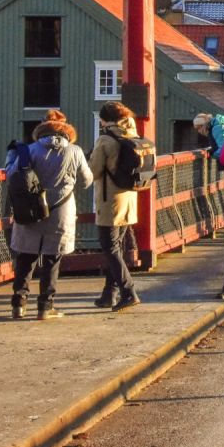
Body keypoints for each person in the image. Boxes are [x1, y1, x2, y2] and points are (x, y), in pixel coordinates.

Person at [9, 110, 92, 321]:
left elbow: (11, 174)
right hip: (60, 210)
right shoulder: (75, 151)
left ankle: (19, 304)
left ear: (41, 129)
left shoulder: (28, 150)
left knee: (26, 257)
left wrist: (11, 156)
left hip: (30, 210)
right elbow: (86, 181)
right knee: (52, 259)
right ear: (67, 131)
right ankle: (45, 307)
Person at [88, 102, 142, 311]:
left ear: (105, 120)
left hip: (110, 200)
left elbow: (94, 171)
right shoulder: (131, 134)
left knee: (109, 247)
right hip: (129, 197)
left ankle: (128, 292)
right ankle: (109, 294)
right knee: (116, 247)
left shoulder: (105, 139)